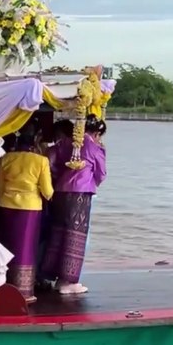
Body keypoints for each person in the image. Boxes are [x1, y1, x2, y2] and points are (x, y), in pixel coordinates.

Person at [40, 116, 108, 295]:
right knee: (75, 235)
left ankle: (52, 275)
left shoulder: (66, 143)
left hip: (61, 191)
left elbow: (53, 165)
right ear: (97, 132)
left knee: (59, 233)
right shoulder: (94, 147)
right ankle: (67, 281)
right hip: (80, 193)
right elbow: (101, 174)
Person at [0, 126, 54, 302]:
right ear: (35, 141)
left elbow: (0, 187)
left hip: (7, 204)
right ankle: (23, 291)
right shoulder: (40, 161)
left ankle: (5, 285)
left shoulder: (6, 158)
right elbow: (48, 191)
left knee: (8, 244)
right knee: (26, 247)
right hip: (29, 207)